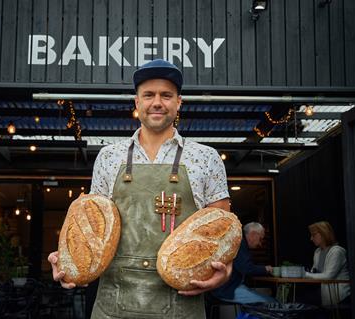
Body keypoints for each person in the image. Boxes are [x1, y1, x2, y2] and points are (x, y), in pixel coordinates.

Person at [48, 59, 233, 318]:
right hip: (112, 305)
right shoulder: (109, 157)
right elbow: (90, 225)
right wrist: (70, 262)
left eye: (166, 95)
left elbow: (223, 234)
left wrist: (226, 272)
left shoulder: (206, 157)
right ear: (137, 103)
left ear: (178, 102)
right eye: (148, 95)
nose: (157, 102)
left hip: (181, 306)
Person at [211, 222, 276, 304]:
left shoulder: (241, 242)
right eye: (260, 239)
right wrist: (265, 269)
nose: (261, 244)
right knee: (270, 303)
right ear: (253, 234)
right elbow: (246, 268)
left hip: (230, 287)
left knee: (270, 300)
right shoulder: (239, 243)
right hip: (228, 290)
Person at [304, 221, 351, 306]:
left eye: (313, 235)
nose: (311, 238)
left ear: (323, 234)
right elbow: (314, 272)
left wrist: (305, 274)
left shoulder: (337, 251)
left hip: (340, 298)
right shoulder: (317, 252)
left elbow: (328, 276)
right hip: (325, 295)